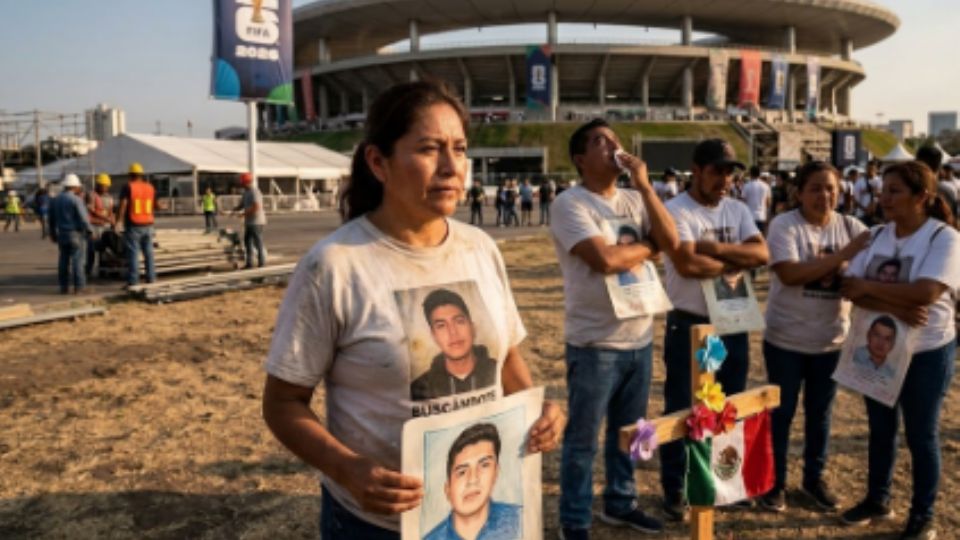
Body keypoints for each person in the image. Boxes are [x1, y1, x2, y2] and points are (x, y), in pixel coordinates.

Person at [261, 81, 564, 539]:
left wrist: (536, 410)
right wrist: (347, 468)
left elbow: (508, 359)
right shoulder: (336, 265)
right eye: (429, 149)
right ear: (378, 162)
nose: (450, 167)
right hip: (376, 524)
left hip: (483, 513)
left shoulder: (480, 248)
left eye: (460, 149)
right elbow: (283, 403)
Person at [550, 118, 678, 539]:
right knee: (583, 440)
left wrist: (644, 186)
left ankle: (621, 502)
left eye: (615, 141)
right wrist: (647, 249)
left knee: (630, 433)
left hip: (639, 337)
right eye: (599, 142)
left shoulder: (633, 197)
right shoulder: (571, 204)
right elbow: (603, 260)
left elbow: (671, 241)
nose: (613, 147)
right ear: (580, 159)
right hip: (594, 342)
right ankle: (575, 519)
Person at [839, 160, 960, 540]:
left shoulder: (944, 238)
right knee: (880, 428)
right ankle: (878, 499)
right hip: (880, 347)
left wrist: (870, 291)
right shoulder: (876, 236)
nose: (884, 198)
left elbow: (927, 292)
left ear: (922, 197)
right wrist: (898, 307)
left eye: (894, 191)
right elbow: (846, 284)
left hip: (926, 350)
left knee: (921, 434)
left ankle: (923, 515)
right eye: (882, 190)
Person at [660, 138, 769, 520]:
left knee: (728, 403)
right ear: (697, 170)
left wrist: (716, 251)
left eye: (729, 172)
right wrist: (733, 261)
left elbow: (762, 254)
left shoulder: (737, 209)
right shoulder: (675, 210)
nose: (724, 179)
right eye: (717, 171)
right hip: (690, 322)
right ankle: (675, 485)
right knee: (683, 404)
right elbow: (688, 265)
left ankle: (726, 480)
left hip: (732, 319)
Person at [758, 161, 869, 513]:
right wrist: (842, 258)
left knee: (820, 414)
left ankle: (813, 479)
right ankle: (773, 483)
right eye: (817, 188)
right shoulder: (784, 225)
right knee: (781, 413)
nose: (825, 195)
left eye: (832, 188)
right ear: (799, 193)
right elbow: (790, 274)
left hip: (831, 341)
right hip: (785, 339)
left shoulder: (852, 226)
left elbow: (862, 279)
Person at [424, 423, 521, 540]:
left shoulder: (520, 519)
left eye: (484, 465)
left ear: (496, 473)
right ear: (447, 489)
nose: (473, 479)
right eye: (462, 472)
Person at [410, 288, 498, 400]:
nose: (453, 332)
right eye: (441, 326)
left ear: (472, 327)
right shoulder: (418, 389)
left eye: (459, 321)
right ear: (434, 336)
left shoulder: (499, 371)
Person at [48, 174, 93, 294]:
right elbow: (83, 218)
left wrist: (52, 233)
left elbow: (51, 219)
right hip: (75, 234)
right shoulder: (76, 200)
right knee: (78, 261)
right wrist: (90, 230)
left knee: (63, 260)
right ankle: (79, 287)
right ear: (75, 187)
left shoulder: (55, 200)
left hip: (62, 233)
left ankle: (64, 287)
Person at [115, 162, 157, 286]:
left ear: (131, 175)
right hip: (148, 224)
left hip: (134, 225)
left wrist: (118, 221)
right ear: (141, 175)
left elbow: (123, 205)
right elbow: (156, 205)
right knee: (148, 253)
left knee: (133, 253)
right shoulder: (150, 187)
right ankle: (151, 278)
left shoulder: (128, 187)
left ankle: (134, 280)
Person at [232, 172, 267, 268]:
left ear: (246, 182)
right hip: (249, 222)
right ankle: (249, 263)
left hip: (256, 222)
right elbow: (242, 205)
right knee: (248, 242)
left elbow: (256, 207)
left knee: (257, 242)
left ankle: (261, 263)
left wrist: (244, 214)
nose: (241, 184)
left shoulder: (255, 192)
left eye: (242, 182)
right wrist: (235, 209)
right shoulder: (246, 193)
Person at [85, 173, 115, 278]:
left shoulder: (109, 198)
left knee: (104, 249)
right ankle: (88, 271)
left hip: (105, 227)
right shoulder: (91, 195)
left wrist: (113, 222)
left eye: (107, 186)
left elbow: (111, 212)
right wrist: (106, 219)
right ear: (98, 185)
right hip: (93, 226)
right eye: (103, 185)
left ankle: (102, 271)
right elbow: (91, 210)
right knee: (91, 250)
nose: (105, 188)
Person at [851, 316, 898, 381]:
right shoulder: (852, 356)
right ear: (868, 335)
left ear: (893, 344)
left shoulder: (891, 374)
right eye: (877, 335)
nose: (881, 343)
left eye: (887, 339)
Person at [741, 166, 772, 234]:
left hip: (749, 217)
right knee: (761, 239)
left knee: (750, 239)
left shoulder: (746, 186)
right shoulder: (766, 186)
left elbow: (743, 202)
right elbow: (768, 203)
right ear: (759, 174)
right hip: (762, 216)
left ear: (750, 174)